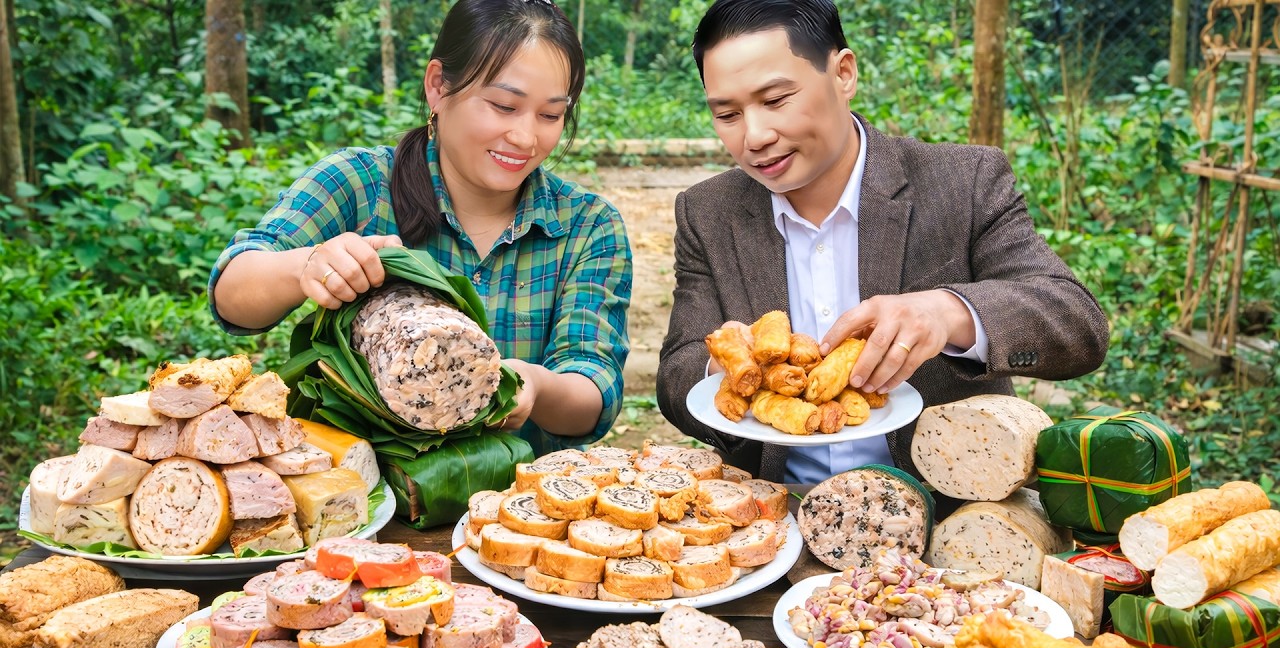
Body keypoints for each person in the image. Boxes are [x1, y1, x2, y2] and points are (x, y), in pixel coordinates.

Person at [657, 0, 1109, 485]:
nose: (755, 136)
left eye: (776, 100)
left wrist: (947, 313)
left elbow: (1078, 324)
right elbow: (677, 374)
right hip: (777, 508)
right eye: (727, 114)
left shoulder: (963, 182)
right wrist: (727, 364)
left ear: (843, 74)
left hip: (951, 505)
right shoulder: (708, 212)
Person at [209, 0, 631, 456]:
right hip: (361, 493)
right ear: (437, 86)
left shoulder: (588, 225)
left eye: (550, 115)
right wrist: (307, 266)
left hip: (523, 496)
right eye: (504, 105)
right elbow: (232, 294)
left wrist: (535, 385)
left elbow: (593, 391)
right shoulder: (358, 185)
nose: (526, 137)